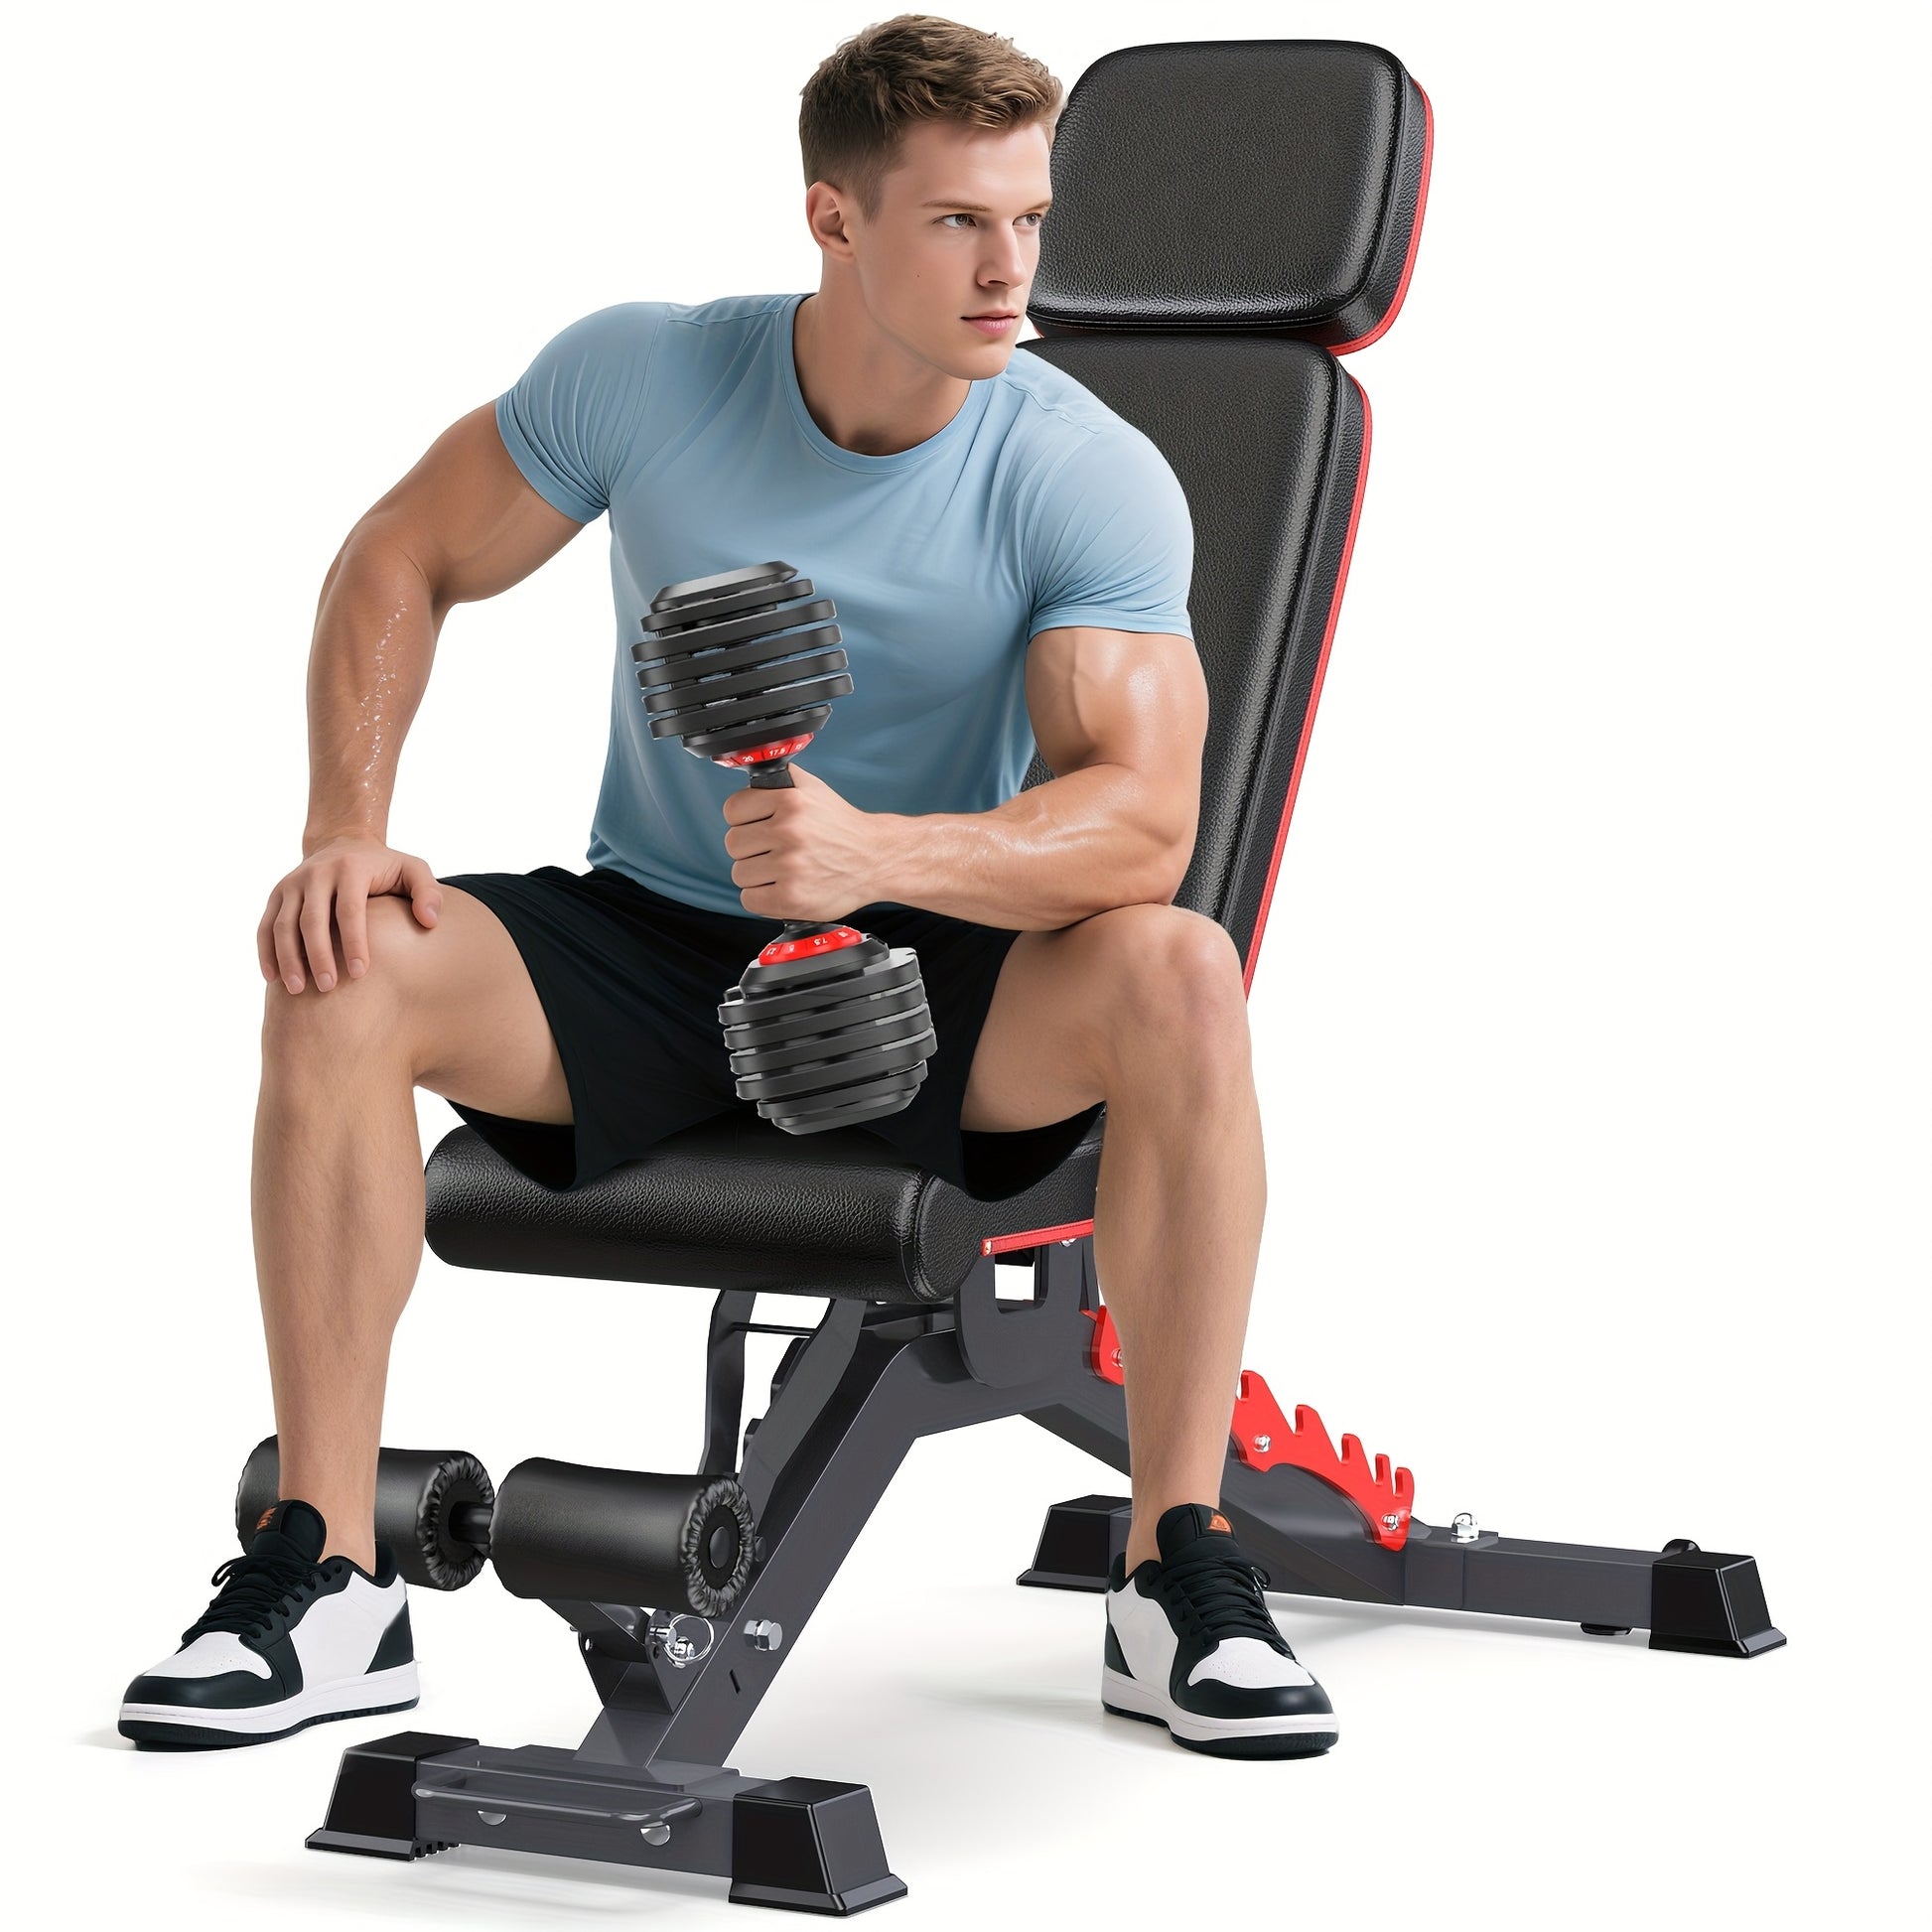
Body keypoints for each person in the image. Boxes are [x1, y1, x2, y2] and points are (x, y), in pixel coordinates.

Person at [119, 13, 1336, 1762]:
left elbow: (1144, 827)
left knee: (1178, 968)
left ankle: (1177, 1570)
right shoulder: (644, 375)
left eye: (1033, 222)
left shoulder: (1075, 464)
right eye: (957, 224)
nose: (1013, 274)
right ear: (832, 223)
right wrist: (345, 822)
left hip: (938, 978)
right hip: (658, 930)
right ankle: (324, 1569)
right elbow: (401, 553)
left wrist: (881, 856)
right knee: (344, 964)